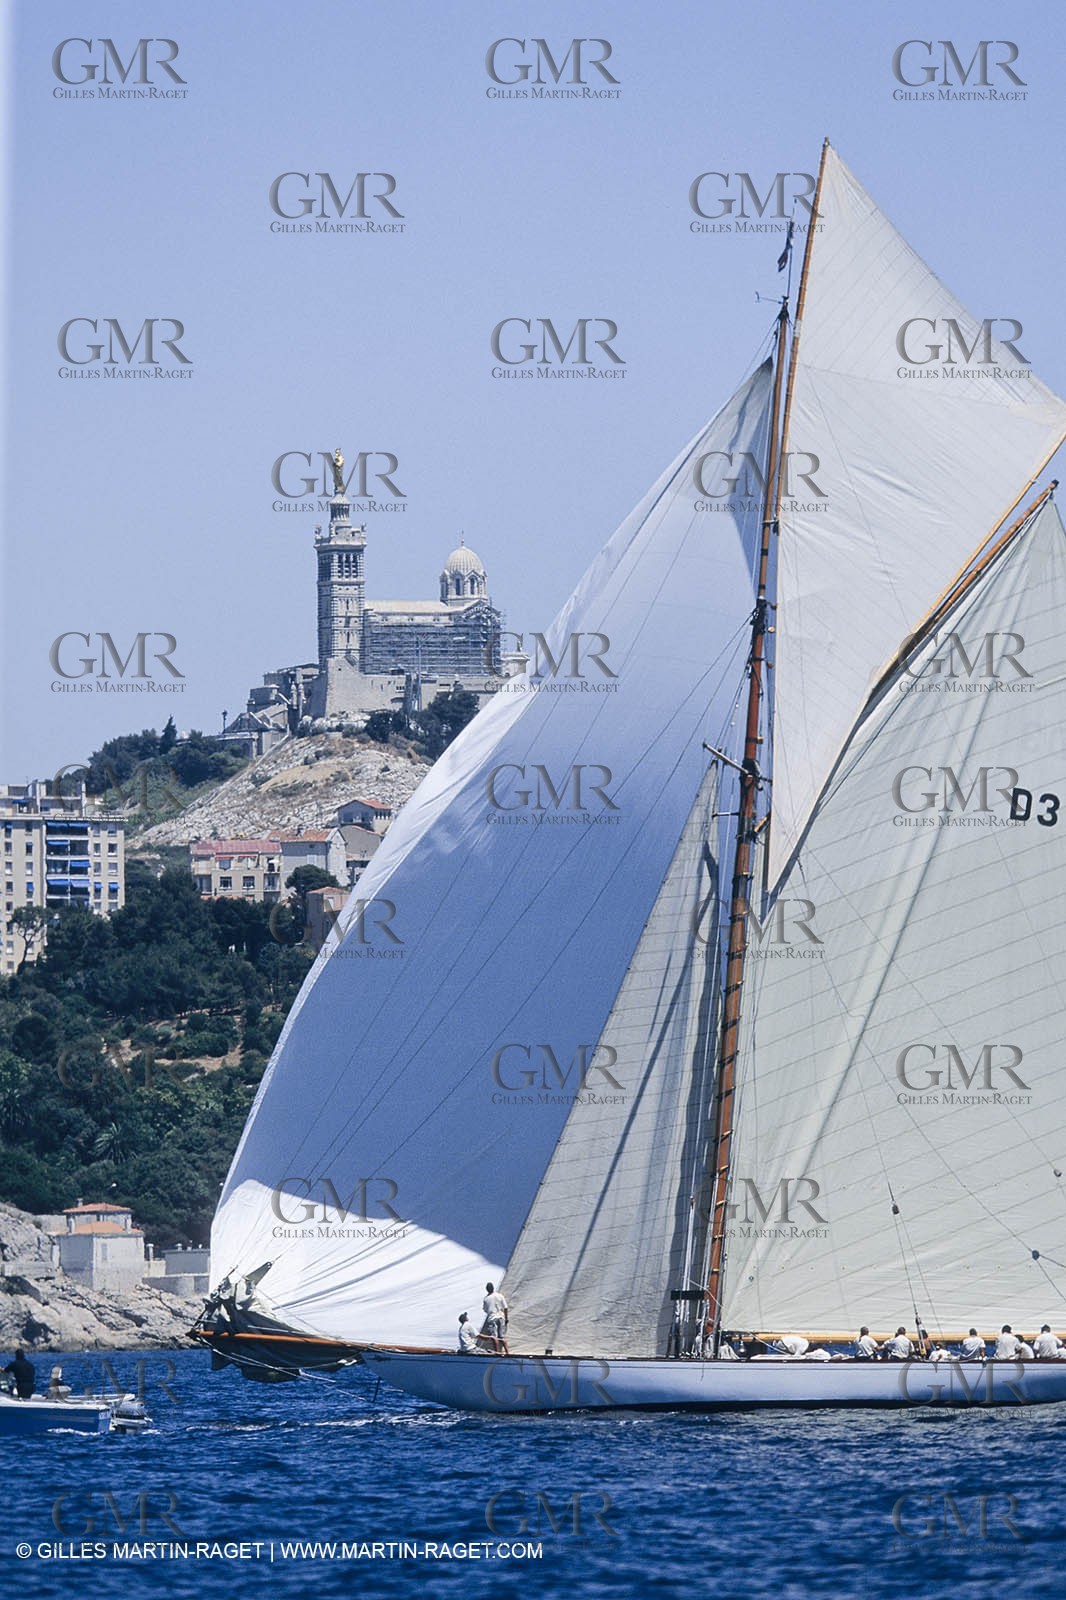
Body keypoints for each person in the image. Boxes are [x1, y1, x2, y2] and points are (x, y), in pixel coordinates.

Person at [483, 1282, 509, 1353]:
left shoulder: (486, 1299)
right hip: (501, 1317)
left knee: (494, 1337)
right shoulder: (500, 1296)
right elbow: (505, 1307)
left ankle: (497, 1352)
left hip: (492, 1318)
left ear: (487, 1289)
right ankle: (507, 1352)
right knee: (502, 1336)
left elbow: (485, 1310)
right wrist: (506, 1318)